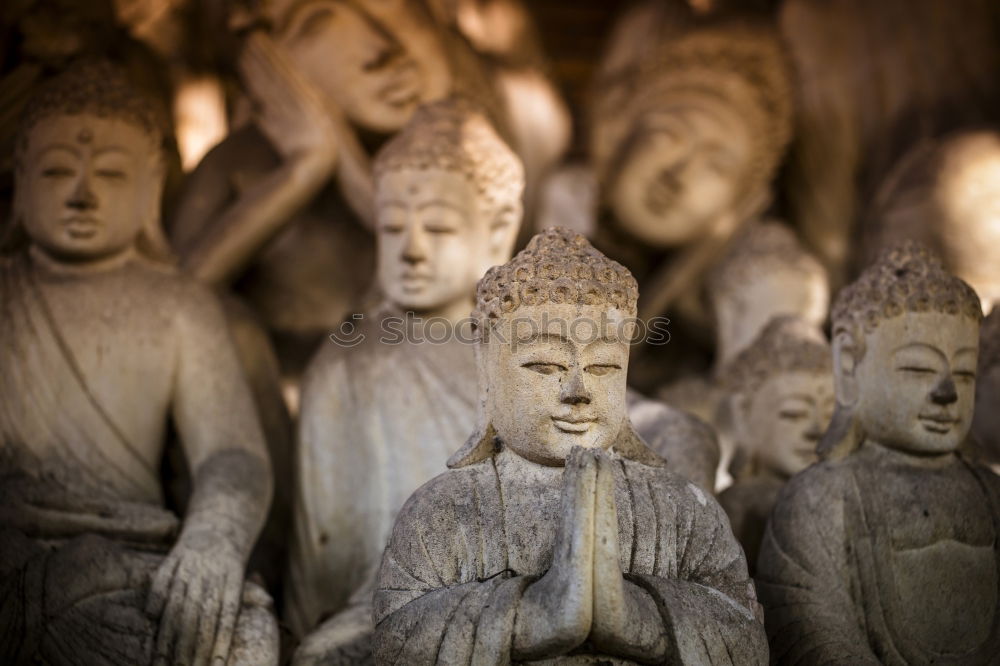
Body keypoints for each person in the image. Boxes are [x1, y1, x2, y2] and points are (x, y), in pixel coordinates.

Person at [373, 228, 767, 664]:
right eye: (545, 365)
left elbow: (747, 639)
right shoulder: (441, 511)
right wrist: (538, 615)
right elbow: (396, 641)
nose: (577, 391)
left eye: (603, 366)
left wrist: (631, 617)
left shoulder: (684, 509)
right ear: (487, 369)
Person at [0, 61, 277, 665]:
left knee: (245, 643)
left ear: (152, 188)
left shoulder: (180, 307)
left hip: (129, 557)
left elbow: (231, 453)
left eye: (110, 174)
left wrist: (213, 540)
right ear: (20, 182)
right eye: (54, 171)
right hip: (10, 549)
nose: (81, 193)